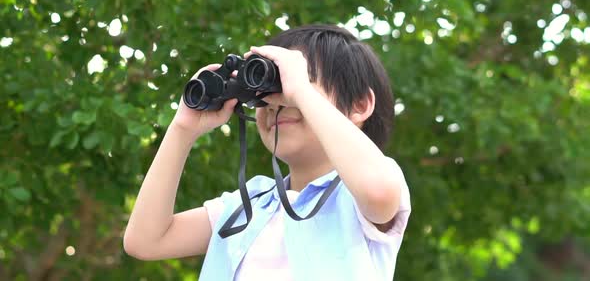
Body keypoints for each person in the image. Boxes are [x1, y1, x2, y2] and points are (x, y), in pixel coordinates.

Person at [123, 24, 411, 281]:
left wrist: (299, 90)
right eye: (267, 92)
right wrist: (183, 128)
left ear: (359, 105)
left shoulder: (360, 194)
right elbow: (146, 241)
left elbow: (377, 191)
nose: (275, 102)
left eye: (292, 83)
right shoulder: (251, 204)